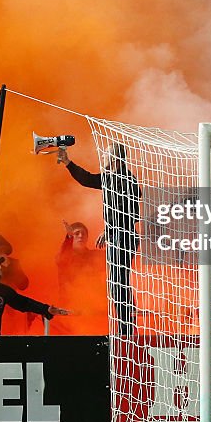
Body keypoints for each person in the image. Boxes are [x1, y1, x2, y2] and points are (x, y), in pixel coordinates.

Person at [57, 142, 139, 334]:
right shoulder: (109, 178)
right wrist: (68, 162)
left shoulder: (128, 181)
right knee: (115, 281)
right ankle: (125, 324)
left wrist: (110, 230)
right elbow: (86, 179)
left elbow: (132, 213)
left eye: (106, 155)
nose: (102, 158)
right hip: (116, 235)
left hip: (124, 236)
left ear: (116, 158)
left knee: (119, 280)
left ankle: (127, 327)